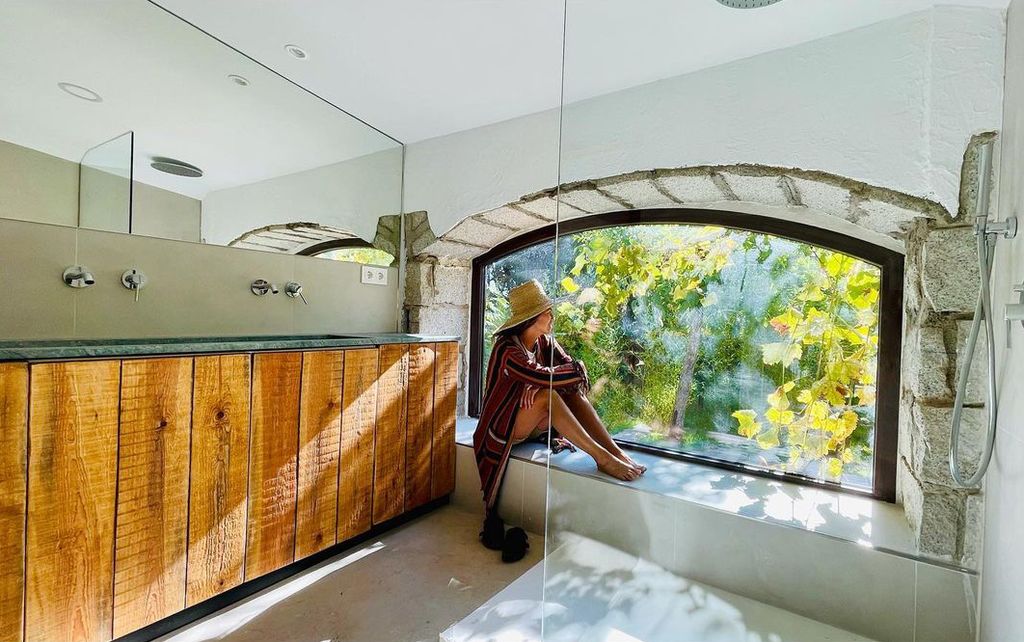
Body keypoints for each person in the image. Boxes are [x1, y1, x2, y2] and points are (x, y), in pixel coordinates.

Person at [473, 280, 647, 526]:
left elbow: (568, 374)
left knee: (569, 392)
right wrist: (542, 381)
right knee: (550, 394)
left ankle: (615, 451)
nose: (552, 316)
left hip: (531, 420)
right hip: (503, 427)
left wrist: (540, 381)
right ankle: (601, 458)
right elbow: (549, 374)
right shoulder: (506, 348)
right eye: (547, 312)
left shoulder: (544, 342)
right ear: (532, 318)